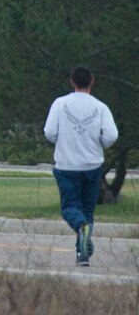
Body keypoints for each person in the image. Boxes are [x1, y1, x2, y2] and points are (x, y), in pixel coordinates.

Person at [45, 67, 119, 267]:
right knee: (87, 209)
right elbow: (111, 136)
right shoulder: (101, 107)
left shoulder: (60, 104)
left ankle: (80, 227)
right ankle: (82, 254)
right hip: (92, 166)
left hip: (67, 165)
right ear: (92, 81)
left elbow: (50, 132)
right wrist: (100, 142)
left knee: (70, 207)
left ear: (72, 82)